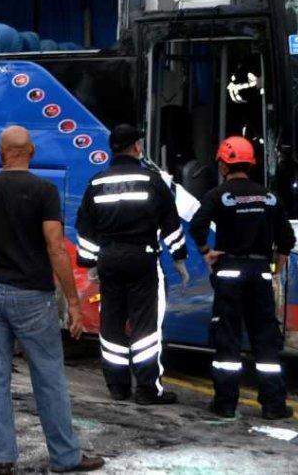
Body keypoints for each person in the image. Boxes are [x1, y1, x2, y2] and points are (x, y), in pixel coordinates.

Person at [0, 126, 104, 474]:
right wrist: (73, 302)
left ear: (1, 153)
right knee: (48, 377)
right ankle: (65, 457)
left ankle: (3, 459)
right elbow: (55, 248)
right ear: (32, 152)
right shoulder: (44, 191)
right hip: (33, 298)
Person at [74, 123, 186, 405]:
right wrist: (179, 258)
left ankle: (117, 386)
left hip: (109, 260)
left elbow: (85, 229)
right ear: (137, 147)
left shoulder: (97, 182)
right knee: (145, 325)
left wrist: (90, 263)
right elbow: (171, 224)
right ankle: (147, 389)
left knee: (111, 322)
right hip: (142, 259)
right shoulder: (152, 180)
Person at [189, 136, 295, 420]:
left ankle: (225, 404)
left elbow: (198, 226)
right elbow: (287, 239)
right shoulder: (269, 197)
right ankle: (273, 405)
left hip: (229, 274)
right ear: (252, 164)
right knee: (265, 340)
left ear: (223, 165)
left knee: (228, 339)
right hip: (260, 274)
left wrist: (207, 252)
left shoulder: (218, 195)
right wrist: (276, 268)